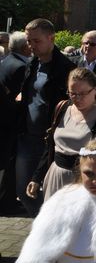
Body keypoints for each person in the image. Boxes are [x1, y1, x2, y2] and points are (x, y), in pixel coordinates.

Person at [27, 68, 96, 202]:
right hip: (56, 177)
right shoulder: (62, 108)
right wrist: (36, 177)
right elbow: (51, 146)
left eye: (83, 93)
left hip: (85, 181)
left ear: (95, 89)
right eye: (73, 93)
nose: (77, 98)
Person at [16, 18, 76, 217]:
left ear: (51, 38)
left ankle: (51, 229)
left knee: (51, 191)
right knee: (23, 190)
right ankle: (47, 225)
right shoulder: (32, 63)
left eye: (36, 41)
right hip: (27, 136)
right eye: (29, 41)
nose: (31, 45)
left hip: (51, 140)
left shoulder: (65, 68)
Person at [0, 31, 31, 214]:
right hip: (12, 122)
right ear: (24, 46)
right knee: (10, 164)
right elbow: (21, 98)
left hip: (5, 122)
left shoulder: (6, 61)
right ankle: (7, 202)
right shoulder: (21, 67)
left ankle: (7, 199)